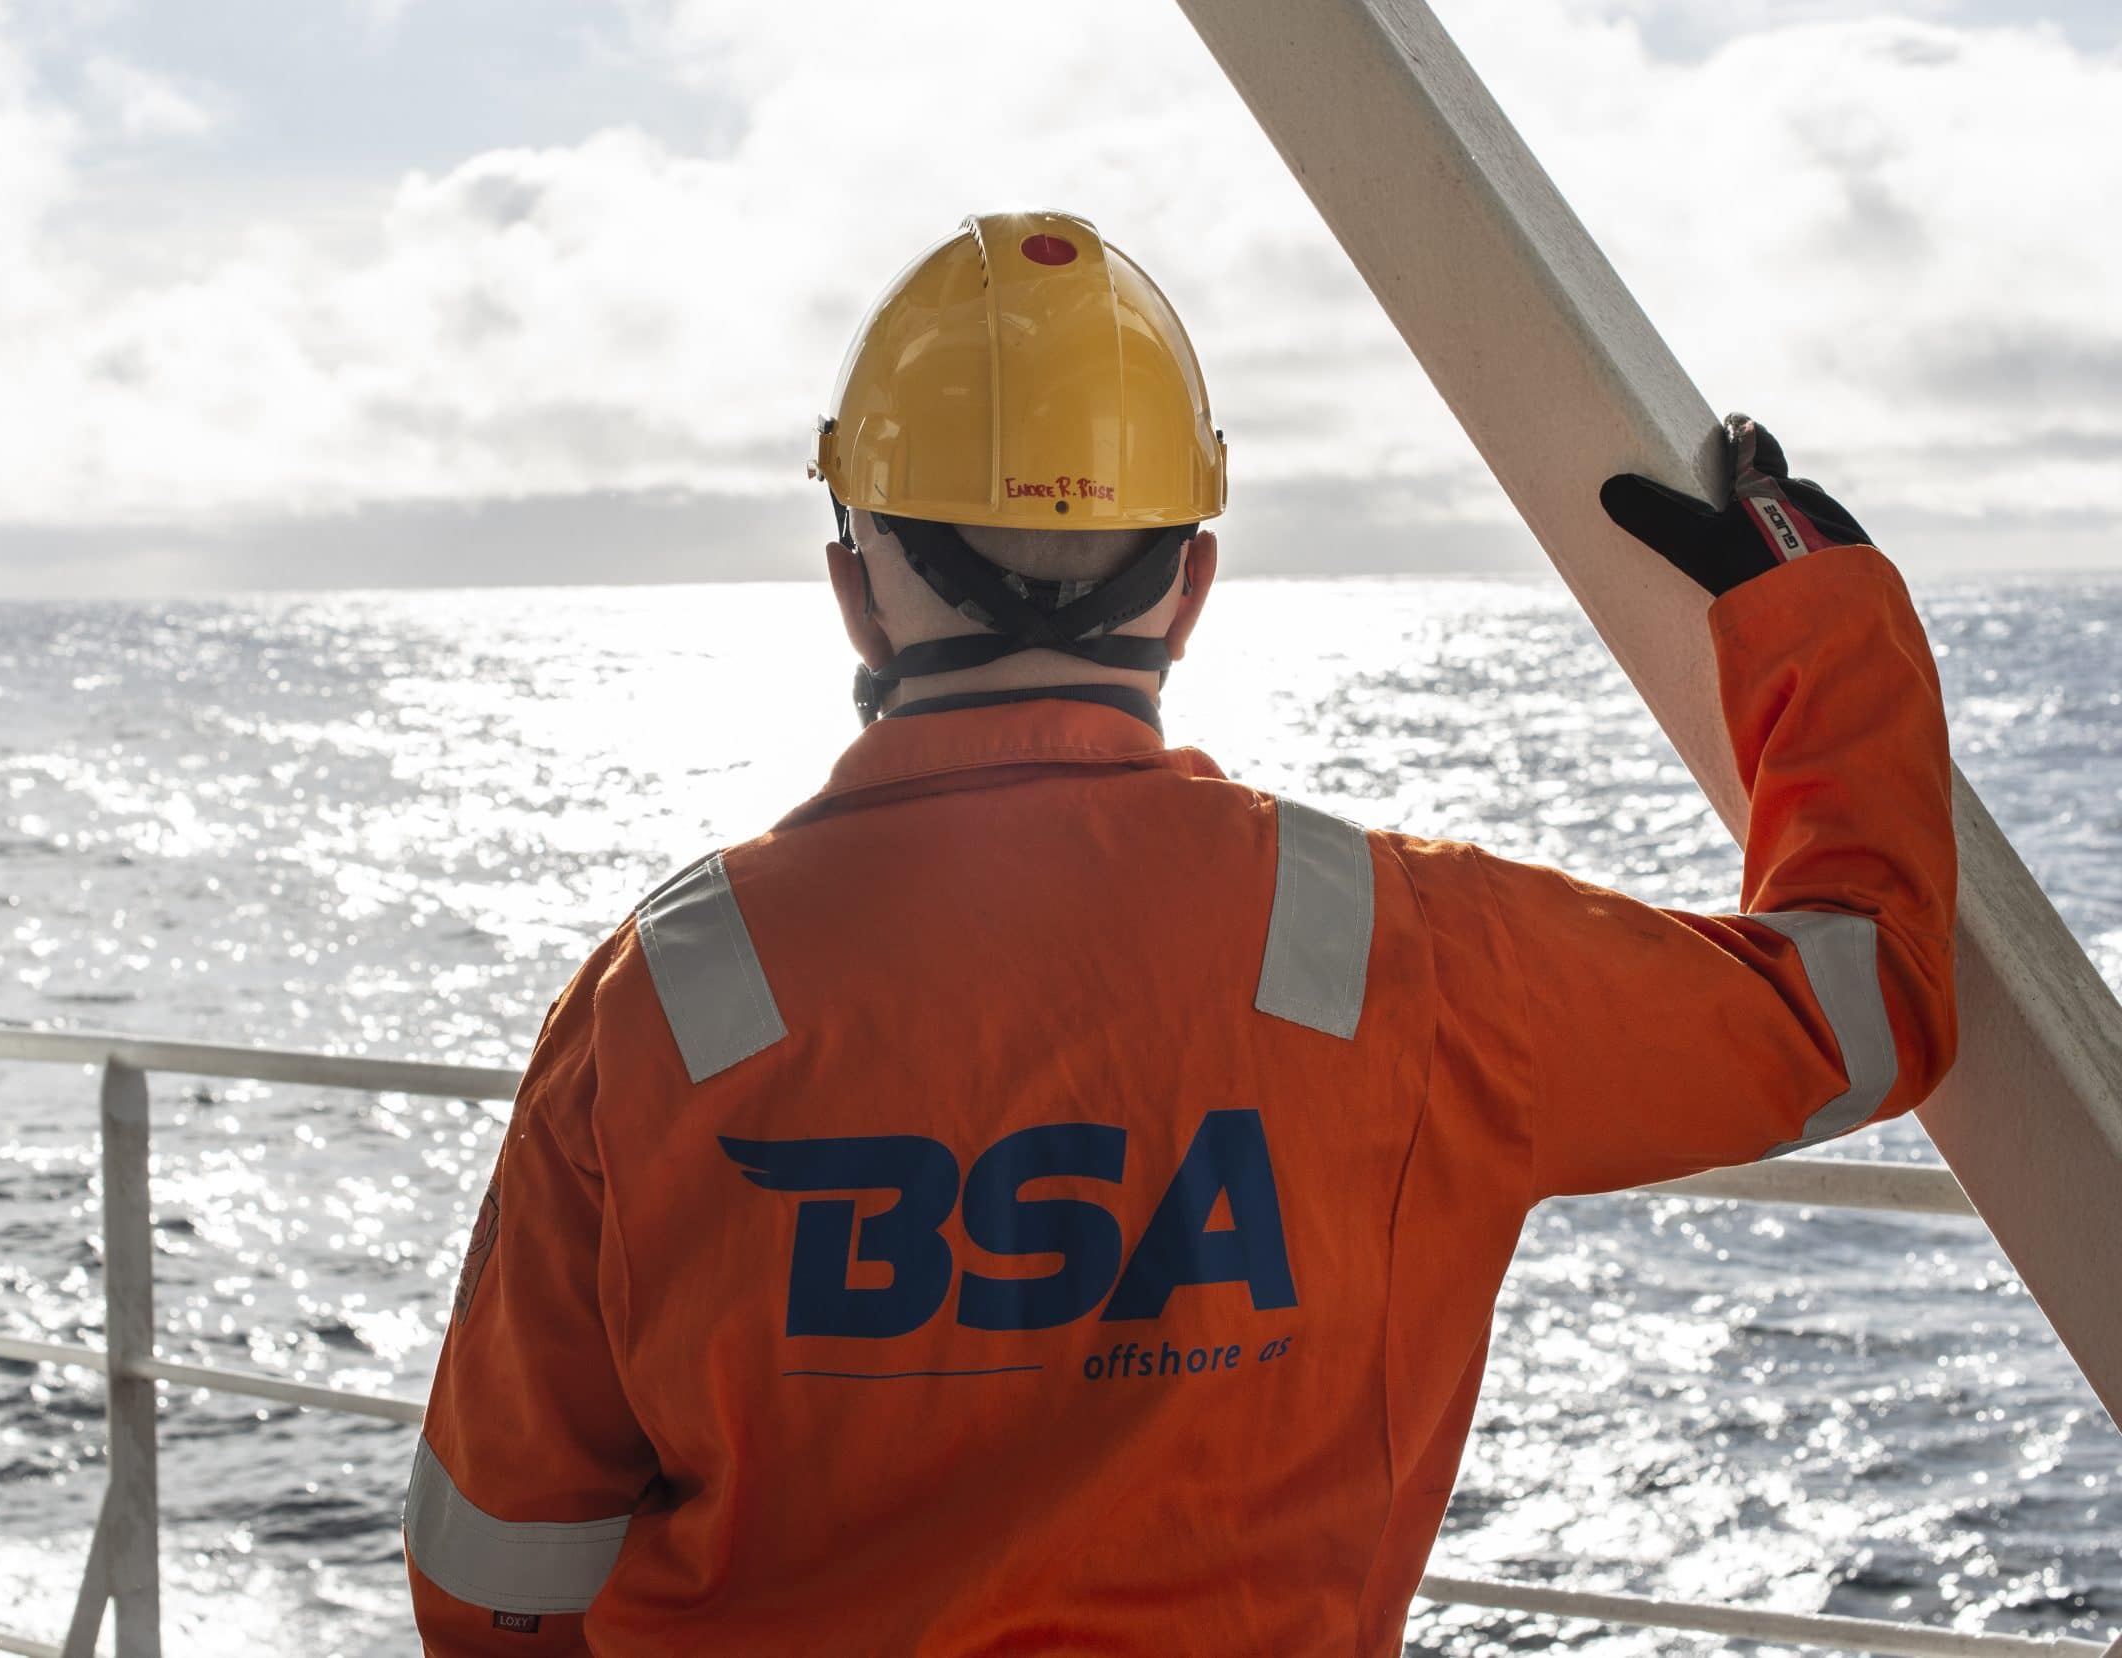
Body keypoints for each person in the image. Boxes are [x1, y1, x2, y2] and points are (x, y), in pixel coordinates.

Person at [401, 210, 1956, 1654]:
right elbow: (1861, 999)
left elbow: (495, 1574)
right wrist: (1814, 621)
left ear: (855, 595)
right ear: (1193, 582)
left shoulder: (659, 998)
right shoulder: (1409, 959)